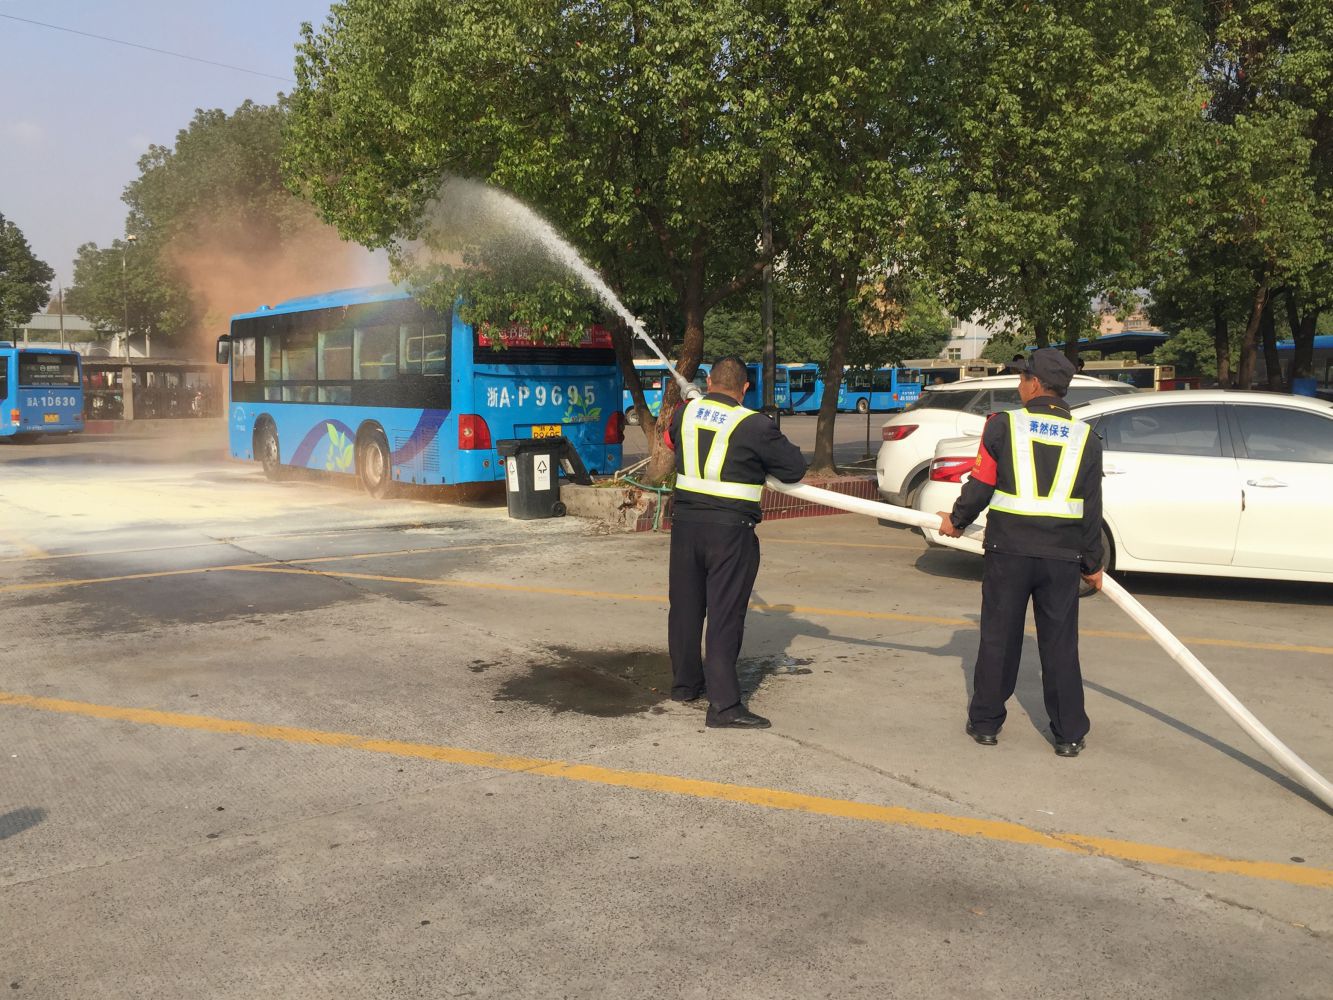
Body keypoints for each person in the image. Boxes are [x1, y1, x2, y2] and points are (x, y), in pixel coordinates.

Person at [937, 348, 1104, 757]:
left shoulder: (1003, 425)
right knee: (1060, 645)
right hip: (1061, 558)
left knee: (999, 637)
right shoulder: (1086, 437)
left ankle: (986, 724)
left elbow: (981, 484)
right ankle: (1068, 734)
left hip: (1008, 551)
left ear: (1035, 384)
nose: (1018, 384)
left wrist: (956, 520)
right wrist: (1092, 563)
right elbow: (1091, 507)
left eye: (1022, 378)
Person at [665, 355, 807, 729]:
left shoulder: (685, 413)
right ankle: (724, 706)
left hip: (684, 527)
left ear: (709, 382)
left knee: (685, 609)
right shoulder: (754, 424)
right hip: (730, 532)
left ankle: (685, 685)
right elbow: (794, 468)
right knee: (725, 615)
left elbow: (669, 440)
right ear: (745, 388)